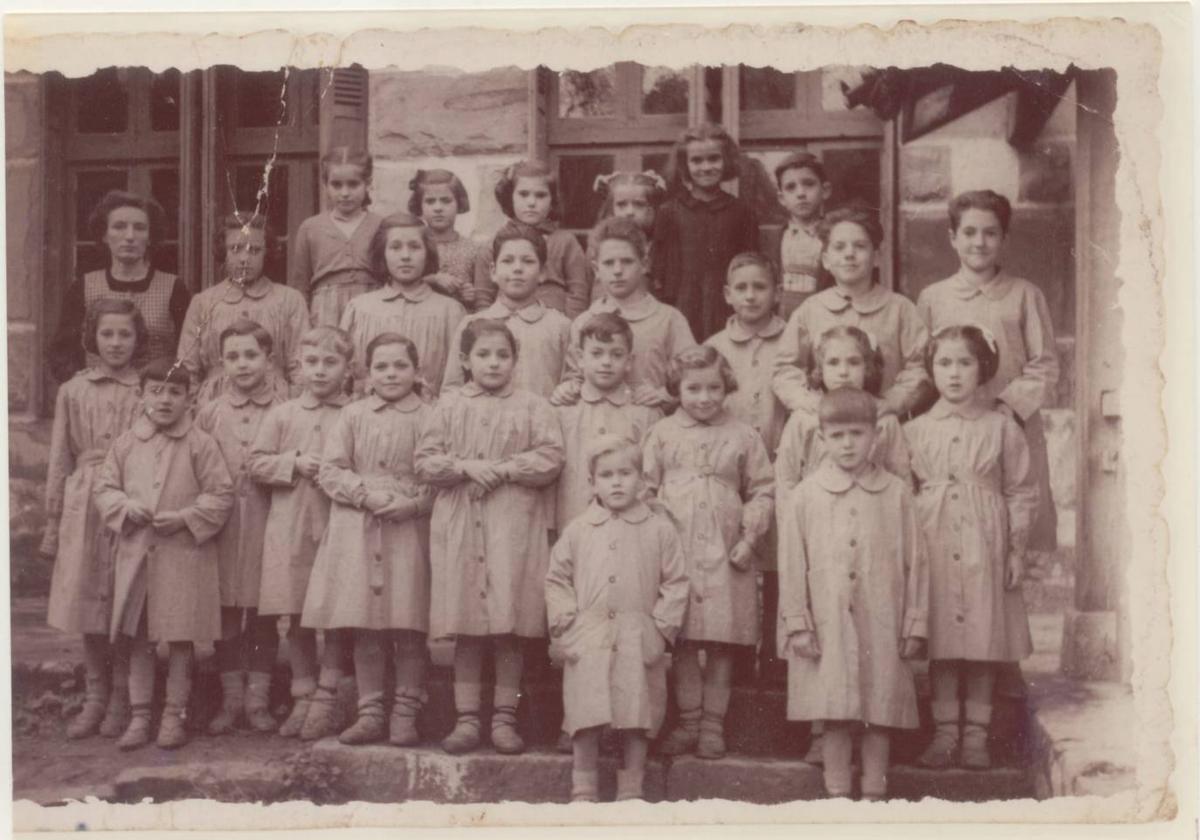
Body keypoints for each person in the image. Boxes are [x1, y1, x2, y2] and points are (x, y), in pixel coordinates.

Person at [415, 319, 565, 755]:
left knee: (508, 625)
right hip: (461, 519)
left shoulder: (534, 406)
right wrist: (464, 467)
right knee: (466, 625)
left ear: (515, 360)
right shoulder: (446, 406)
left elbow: (551, 457)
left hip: (511, 522)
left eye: (503, 355)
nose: (494, 363)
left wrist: (502, 469)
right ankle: (466, 719)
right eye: (483, 354)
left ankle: (504, 719)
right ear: (465, 360)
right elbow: (425, 460)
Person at [778, 387, 927, 800]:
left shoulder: (896, 493)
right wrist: (797, 624)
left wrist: (915, 622)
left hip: (883, 618)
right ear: (822, 438)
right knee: (834, 712)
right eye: (838, 435)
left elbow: (917, 561)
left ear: (875, 436)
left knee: (879, 711)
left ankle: (875, 791)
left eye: (857, 434)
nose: (847, 444)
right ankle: (838, 794)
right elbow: (792, 565)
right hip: (826, 624)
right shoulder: (805, 496)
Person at [904, 325, 1038, 770]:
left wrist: (1016, 550)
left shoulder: (1001, 427)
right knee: (942, 639)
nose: (955, 373)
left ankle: (976, 736)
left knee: (983, 639)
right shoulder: (916, 430)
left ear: (983, 369)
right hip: (934, 537)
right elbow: (904, 492)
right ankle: (944, 734)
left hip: (987, 539)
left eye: (965, 362)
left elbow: (1021, 489)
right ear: (931, 371)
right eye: (944, 363)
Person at [94, 357, 234, 750]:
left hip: (183, 553)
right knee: (137, 636)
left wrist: (187, 517)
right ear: (140, 397)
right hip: (138, 552)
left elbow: (221, 494)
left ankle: (175, 714)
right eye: (155, 391)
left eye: (175, 392)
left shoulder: (200, 444)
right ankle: (140, 716)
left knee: (181, 637)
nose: (165, 400)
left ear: (190, 399)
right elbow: (104, 487)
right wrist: (124, 507)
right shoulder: (125, 444)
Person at [302, 334, 434, 746]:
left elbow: (440, 474)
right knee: (366, 625)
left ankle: (405, 714)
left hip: (408, 526)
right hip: (357, 525)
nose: (391, 374)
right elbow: (331, 469)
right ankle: (370, 711)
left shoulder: (431, 416)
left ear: (416, 371)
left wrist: (413, 505)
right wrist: (365, 495)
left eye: (400, 366)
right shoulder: (354, 415)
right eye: (381, 367)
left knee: (408, 623)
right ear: (367, 373)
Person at [645, 345, 774, 759]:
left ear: (727, 387)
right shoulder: (662, 433)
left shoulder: (743, 434)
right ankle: (689, 721)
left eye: (714, 388)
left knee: (719, 643)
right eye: (693, 388)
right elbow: (645, 489)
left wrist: (749, 538)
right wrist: (659, 541)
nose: (704, 397)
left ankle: (713, 726)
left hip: (726, 550)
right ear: (677, 389)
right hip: (676, 550)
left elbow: (762, 490)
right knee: (682, 642)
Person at [545, 435, 688, 802]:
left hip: (638, 631)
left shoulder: (659, 528)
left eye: (626, 473)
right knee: (585, 712)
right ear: (593, 482)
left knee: (636, 713)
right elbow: (557, 578)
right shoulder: (579, 529)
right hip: (588, 631)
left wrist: (660, 629)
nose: (617, 482)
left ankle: (631, 789)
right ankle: (583, 787)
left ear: (642, 480)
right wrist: (566, 623)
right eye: (606, 475)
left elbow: (676, 582)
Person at [916, 189, 1060, 553]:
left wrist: (1007, 409)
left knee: (1010, 533)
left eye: (990, 232)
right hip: (954, 433)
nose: (979, 242)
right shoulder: (934, 297)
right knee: (958, 538)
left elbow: (1044, 365)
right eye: (969, 232)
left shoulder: (1025, 295)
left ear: (1004, 238)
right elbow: (922, 365)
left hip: (1011, 427)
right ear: (952, 238)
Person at [40, 298, 147, 740]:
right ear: (92, 338)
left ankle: (123, 700)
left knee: (124, 603)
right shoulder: (73, 390)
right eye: (107, 334)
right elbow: (59, 457)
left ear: (138, 339)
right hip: (84, 501)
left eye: (125, 334)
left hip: (129, 498)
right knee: (88, 602)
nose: (116, 343)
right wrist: (52, 519)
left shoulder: (146, 388)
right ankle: (95, 697)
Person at [248, 325, 353, 739]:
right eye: (312, 363)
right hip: (291, 522)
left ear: (348, 369)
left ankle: (329, 694)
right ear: (297, 368)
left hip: (339, 522)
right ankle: (303, 694)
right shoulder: (283, 414)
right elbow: (255, 463)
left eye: (331, 363)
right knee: (296, 611)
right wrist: (292, 463)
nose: (321, 371)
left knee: (337, 610)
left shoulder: (355, 413)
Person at [194, 319, 285, 735]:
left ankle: (258, 699)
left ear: (269, 358)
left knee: (264, 613)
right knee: (228, 612)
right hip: (226, 525)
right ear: (220, 362)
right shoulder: (210, 413)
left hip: (271, 519)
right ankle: (231, 698)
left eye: (251, 355)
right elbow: (196, 465)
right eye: (232, 356)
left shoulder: (285, 410)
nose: (242, 364)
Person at [704, 252, 788, 684]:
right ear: (727, 295)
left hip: (780, 467)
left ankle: (775, 665)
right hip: (732, 473)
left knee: (777, 564)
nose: (751, 296)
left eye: (761, 287)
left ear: (777, 293)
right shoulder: (715, 347)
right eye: (742, 288)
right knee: (733, 562)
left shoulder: (792, 340)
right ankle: (733, 663)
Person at [772, 207, 931, 419]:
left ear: (876, 257)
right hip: (825, 428)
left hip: (882, 423)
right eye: (839, 247)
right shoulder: (811, 310)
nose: (849, 254)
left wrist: (894, 401)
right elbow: (785, 368)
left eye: (860, 246)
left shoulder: (900, 309)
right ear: (826, 260)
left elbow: (921, 365)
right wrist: (809, 402)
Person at [553, 218, 695, 411]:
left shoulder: (669, 319)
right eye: (609, 263)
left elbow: (692, 375)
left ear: (644, 264)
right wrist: (567, 388)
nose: (618, 271)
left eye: (627, 261)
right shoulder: (584, 322)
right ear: (596, 269)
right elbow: (574, 375)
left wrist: (664, 394)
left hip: (652, 426)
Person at [48, 189, 191, 381]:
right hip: (97, 400)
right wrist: (81, 389)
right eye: (119, 227)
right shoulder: (83, 287)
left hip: (155, 401)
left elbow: (191, 353)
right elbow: (62, 353)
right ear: (104, 235)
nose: (130, 236)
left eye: (139, 228)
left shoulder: (174, 288)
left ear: (150, 237)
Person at [177, 212, 308, 404]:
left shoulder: (289, 300)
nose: (244, 258)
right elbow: (188, 369)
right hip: (216, 402)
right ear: (224, 252)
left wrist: (294, 410)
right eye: (235, 249)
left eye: (254, 250)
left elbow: (301, 366)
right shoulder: (203, 302)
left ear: (267, 252)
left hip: (275, 404)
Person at [554, 313, 661, 534]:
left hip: (631, 528)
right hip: (573, 522)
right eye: (596, 353)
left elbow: (652, 477)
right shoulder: (563, 410)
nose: (606, 362)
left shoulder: (646, 413)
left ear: (629, 361)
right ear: (580, 359)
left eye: (616, 354)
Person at [651, 123, 759, 341]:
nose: (706, 167)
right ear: (684, 165)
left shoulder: (741, 211)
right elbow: (659, 269)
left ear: (726, 160)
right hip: (683, 306)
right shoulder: (669, 212)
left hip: (727, 307)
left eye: (714, 158)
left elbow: (751, 265)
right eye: (696, 160)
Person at [339, 212, 466, 397]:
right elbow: (342, 378)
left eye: (414, 247)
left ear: (427, 253)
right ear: (382, 253)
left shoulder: (450, 311)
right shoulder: (358, 309)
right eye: (395, 247)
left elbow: (458, 381)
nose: (405, 256)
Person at [443, 223, 571, 398]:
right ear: (493, 271)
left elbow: (571, 386)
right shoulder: (471, 324)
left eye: (527, 261)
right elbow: (451, 390)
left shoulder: (560, 327)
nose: (517, 268)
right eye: (507, 261)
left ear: (542, 272)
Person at [474, 160, 590, 317]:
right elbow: (483, 296)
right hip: (506, 326)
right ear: (510, 197)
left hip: (554, 325)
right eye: (523, 194)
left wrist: (570, 326)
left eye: (540, 195)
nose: (531, 202)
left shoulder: (565, 241)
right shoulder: (494, 244)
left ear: (552, 200)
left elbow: (578, 292)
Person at [290, 146, 384, 327]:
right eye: (336, 185)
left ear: (368, 184)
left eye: (353, 184)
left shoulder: (381, 226)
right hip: (325, 310)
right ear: (325, 185)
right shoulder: (310, 228)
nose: (345, 193)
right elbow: (301, 285)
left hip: (372, 306)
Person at [764, 152, 833, 319]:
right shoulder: (772, 239)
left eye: (809, 184)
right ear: (781, 198)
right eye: (790, 187)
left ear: (825, 190)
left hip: (823, 322)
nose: (801, 193)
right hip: (781, 326)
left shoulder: (834, 237)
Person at [407, 168, 480, 310]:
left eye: (446, 201)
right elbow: (402, 283)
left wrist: (470, 293)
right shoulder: (412, 246)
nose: (438, 208)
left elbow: (483, 290)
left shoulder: (473, 249)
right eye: (430, 201)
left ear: (459, 203)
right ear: (420, 206)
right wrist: (433, 279)